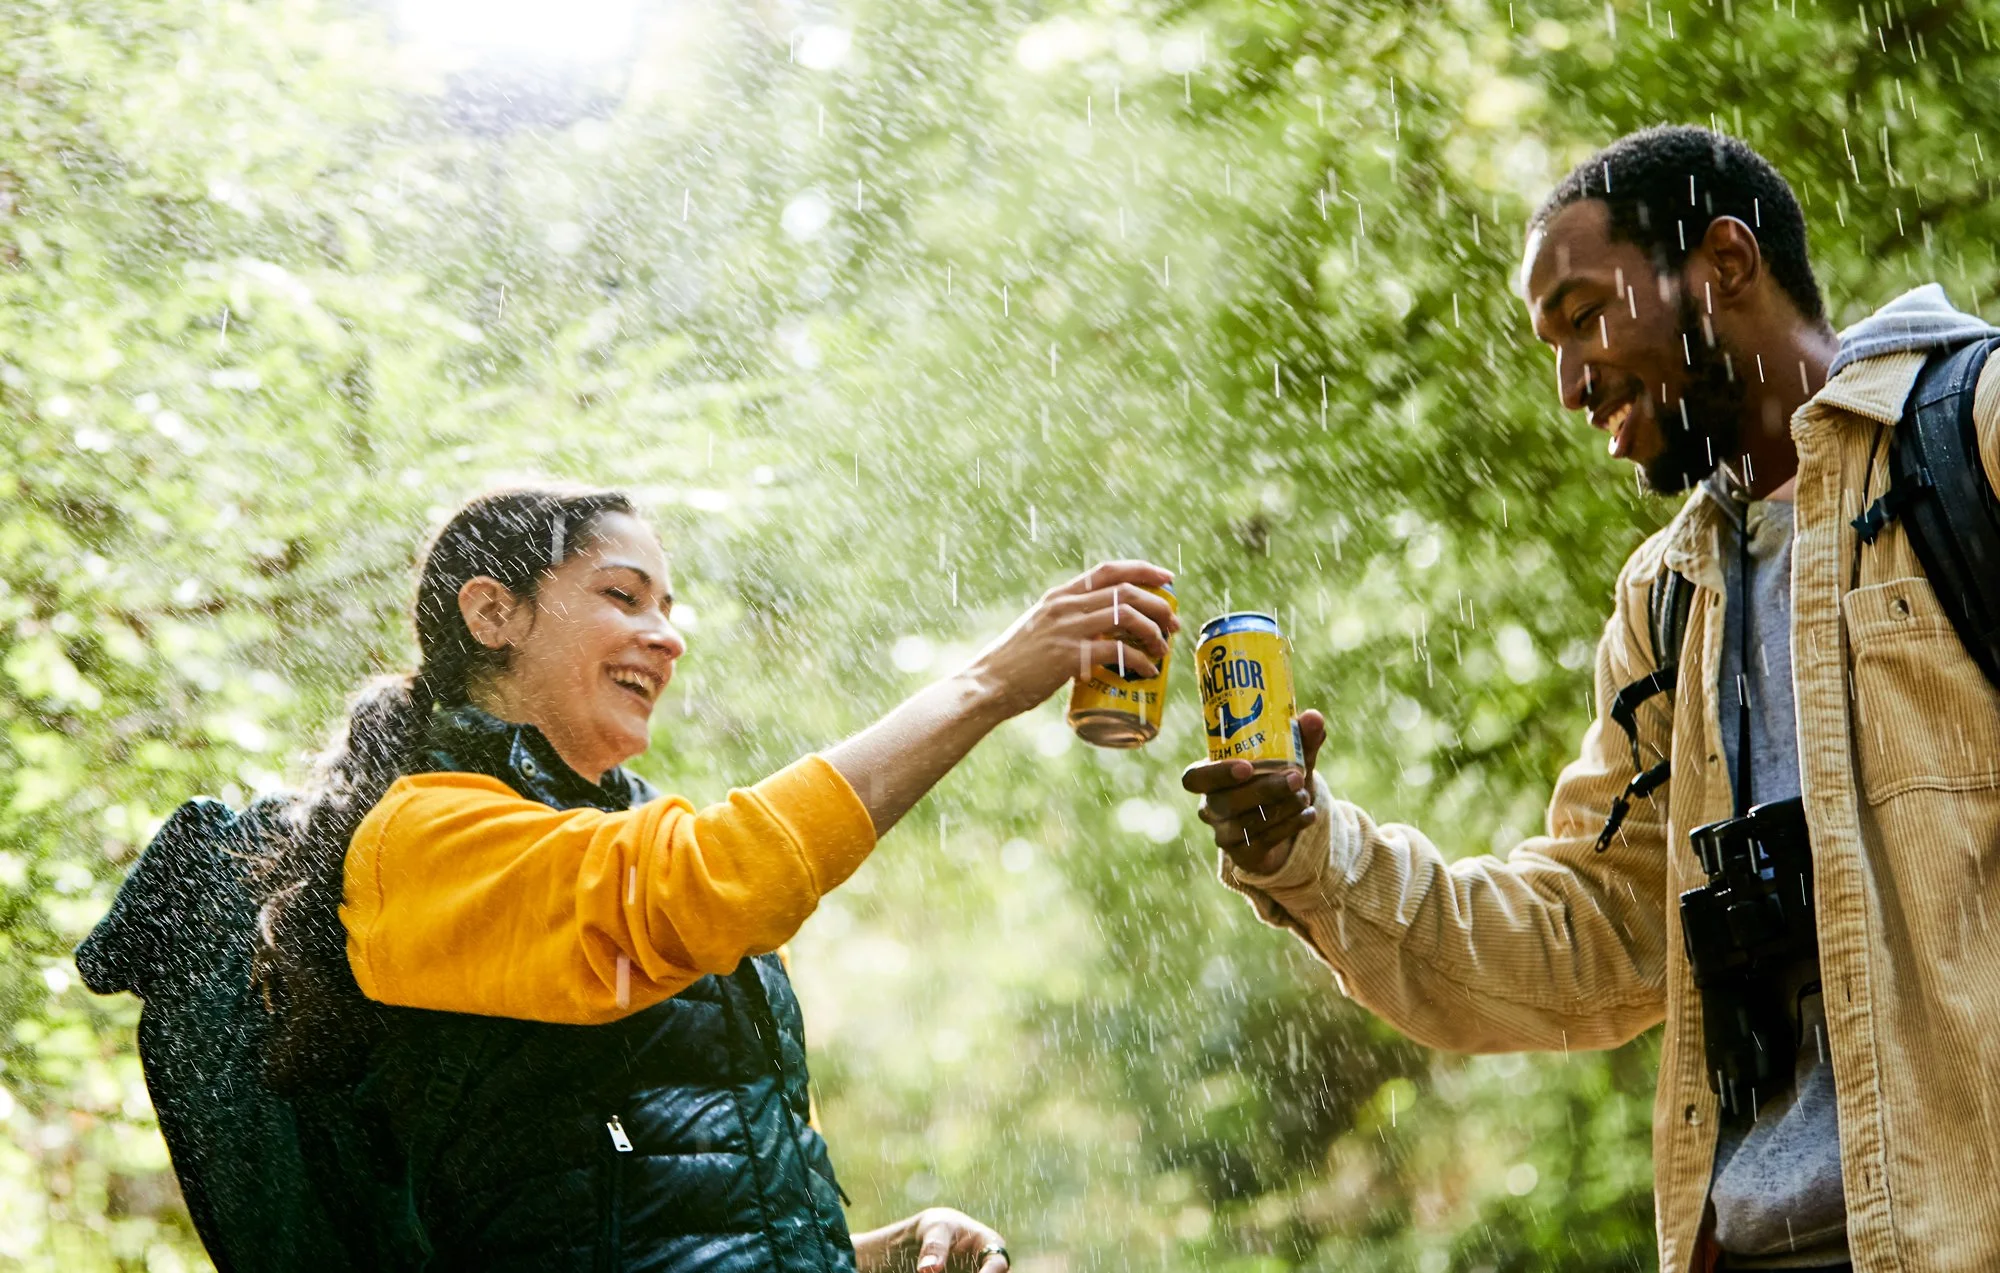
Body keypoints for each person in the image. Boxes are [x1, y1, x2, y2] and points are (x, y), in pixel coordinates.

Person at [1182, 125, 2000, 1273]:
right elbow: (1592, 933)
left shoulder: (1972, 438)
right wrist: (1315, 856)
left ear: (1721, 263)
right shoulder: (1667, 604)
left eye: (1580, 314)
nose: (1568, 384)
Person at [239, 483, 1176, 1270]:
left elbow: (647, 1188)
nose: (665, 636)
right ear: (493, 614)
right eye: (624, 596)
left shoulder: (621, 834)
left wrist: (870, 1251)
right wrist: (987, 685)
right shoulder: (421, 838)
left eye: (670, 611)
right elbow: (706, 882)